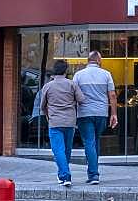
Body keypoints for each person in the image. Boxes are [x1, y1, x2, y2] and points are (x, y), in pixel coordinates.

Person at [72, 51, 118, 185]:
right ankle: (94, 170)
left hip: (84, 113)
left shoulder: (78, 75)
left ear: (88, 60)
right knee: (95, 141)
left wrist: (73, 114)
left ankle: (93, 174)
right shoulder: (106, 74)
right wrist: (113, 114)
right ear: (98, 60)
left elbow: (73, 95)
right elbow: (113, 95)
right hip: (101, 113)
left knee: (89, 142)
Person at [40, 59, 86, 187]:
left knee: (58, 150)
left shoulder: (48, 86)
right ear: (66, 71)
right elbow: (82, 100)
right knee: (66, 150)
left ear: (55, 71)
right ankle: (62, 175)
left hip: (55, 122)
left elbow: (42, 105)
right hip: (70, 122)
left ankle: (65, 176)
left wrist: (48, 116)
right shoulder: (72, 85)